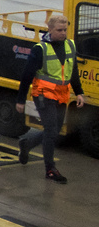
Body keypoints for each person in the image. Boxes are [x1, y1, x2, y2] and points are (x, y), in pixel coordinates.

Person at [15, 15, 85, 183]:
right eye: (59, 30)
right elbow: (27, 75)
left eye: (65, 30)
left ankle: (27, 144)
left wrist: (79, 92)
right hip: (43, 94)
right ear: (50, 30)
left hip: (61, 94)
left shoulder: (70, 45)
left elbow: (73, 70)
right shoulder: (40, 49)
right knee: (51, 129)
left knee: (54, 131)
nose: (63, 34)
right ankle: (50, 169)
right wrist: (20, 99)